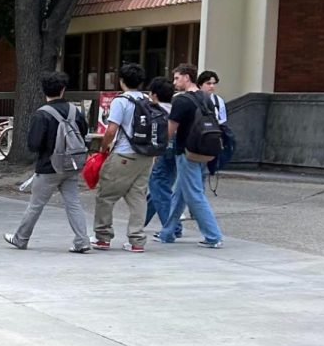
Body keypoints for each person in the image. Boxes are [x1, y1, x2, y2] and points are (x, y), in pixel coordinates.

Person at [4, 71, 92, 253]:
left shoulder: (42, 114)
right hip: (72, 165)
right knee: (73, 203)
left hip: (48, 167)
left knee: (36, 205)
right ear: (63, 89)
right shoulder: (75, 112)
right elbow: (83, 134)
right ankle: (82, 240)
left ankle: (21, 238)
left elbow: (34, 144)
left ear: (44, 90)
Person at [155, 64, 225, 247]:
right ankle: (167, 232)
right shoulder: (205, 97)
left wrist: (159, 148)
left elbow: (171, 129)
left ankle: (213, 236)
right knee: (180, 193)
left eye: (177, 78)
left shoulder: (181, 100)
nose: (174, 82)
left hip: (186, 152)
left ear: (187, 77)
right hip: (203, 149)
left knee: (194, 194)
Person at [92, 62, 154, 252]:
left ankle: (102, 237)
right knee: (138, 197)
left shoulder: (121, 101)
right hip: (145, 155)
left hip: (124, 154)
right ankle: (137, 241)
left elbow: (111, 129)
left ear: (121, 81)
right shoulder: (148, 100)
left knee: (106, 195)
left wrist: (103, 149)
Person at [143, 77, 179, 237]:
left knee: (158, 185)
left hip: (164, 151)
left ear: (154, 94)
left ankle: (173, 227)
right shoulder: (176, 109)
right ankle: (139, 222)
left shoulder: (155, 111)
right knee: (158, 188)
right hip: (178, 151)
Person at [198, 70, 236, 179]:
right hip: (196, 137)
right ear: (200, 84)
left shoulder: (218, 100)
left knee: (204, 171)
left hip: (210, 138)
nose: (212, 86)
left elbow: (222, 121)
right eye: (208, 83)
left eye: (214, 84)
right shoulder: (195, 98)